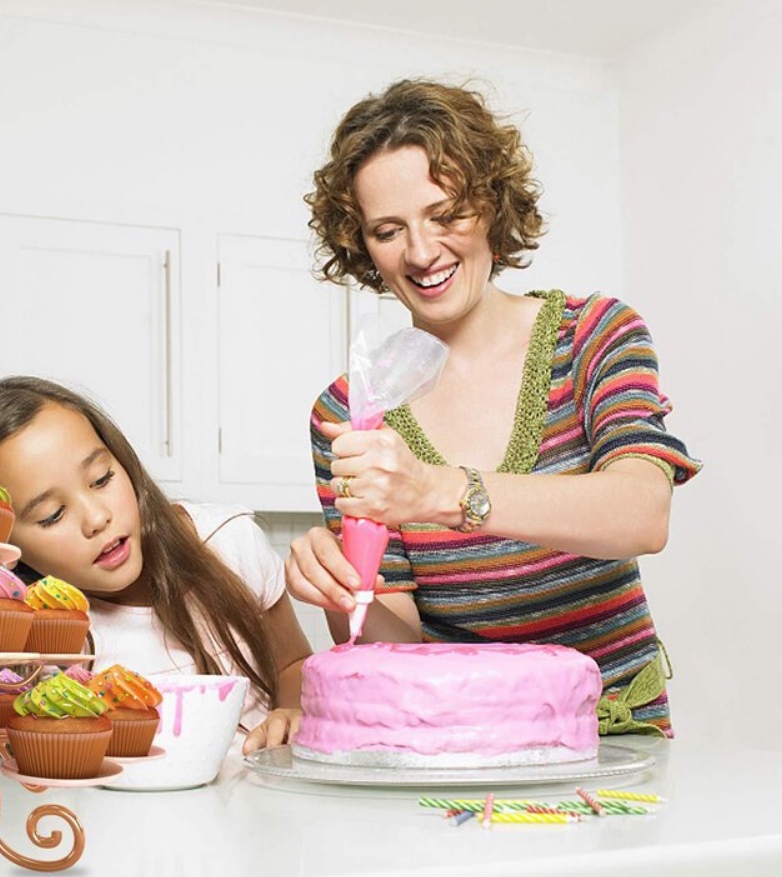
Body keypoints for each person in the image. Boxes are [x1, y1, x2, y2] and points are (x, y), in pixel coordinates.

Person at [285, 78, 702, 736]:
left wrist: (441, 492)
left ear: (491, 204)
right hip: (457, 745)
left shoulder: (591, 336)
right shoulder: (350, 411)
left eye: (446, 214)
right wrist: (342, 590)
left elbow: (642, 514)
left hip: (612, 738)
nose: (421, 252)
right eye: (388, 230)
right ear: (361, 245)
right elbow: (395, 645)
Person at [0, 376, 308, 751]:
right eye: (53, 515)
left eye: (102, 479)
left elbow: (292, 663)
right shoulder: (32, 637)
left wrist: (292, 712)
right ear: (1, 547)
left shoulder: (228, 541)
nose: (97, 518)